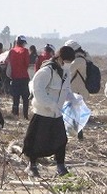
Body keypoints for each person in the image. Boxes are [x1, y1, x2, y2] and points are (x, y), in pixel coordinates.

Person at [24, 45, 78, 177]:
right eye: (66, 61)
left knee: (61, 140)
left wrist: (73, 98)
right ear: (59, 58)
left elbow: (66, 89)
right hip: (43, 112)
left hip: (57, 113)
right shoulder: (46, 71)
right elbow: (38, 91)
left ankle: (60, 166)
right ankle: (32, 165)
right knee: (37, 141)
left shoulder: (66, 72)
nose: (68, 65)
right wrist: (50, 104)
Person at [5, 36, 32, 119]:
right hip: (23, 77)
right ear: (23, 43)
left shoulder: (12, 51)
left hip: (14, 77)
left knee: (15, 97)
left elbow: (7, 62)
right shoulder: (25, 51)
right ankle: (25, 115)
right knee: (25, 98)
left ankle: (15, 113)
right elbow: (27, 63)